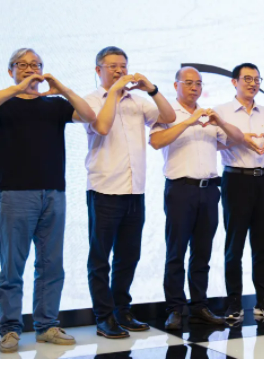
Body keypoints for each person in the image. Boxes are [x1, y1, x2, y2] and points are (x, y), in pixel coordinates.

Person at [0, 48, 96, 353]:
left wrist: (62, 88)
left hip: (53, 193)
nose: (29, 69)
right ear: (10, 70)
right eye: (22, 65)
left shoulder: (55, 105)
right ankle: (10, 329)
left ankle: (47, 325)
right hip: (15, 194)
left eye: (35, 65)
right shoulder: (3, 105)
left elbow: (90, 117)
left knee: (51, 266)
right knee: (12, 267)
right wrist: (16, 89)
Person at [83, 46, 176, 338]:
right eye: (112, 66)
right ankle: (103, 316)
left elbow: (169, 116)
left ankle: (122, 309)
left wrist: (152, 89)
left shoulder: (138, 102)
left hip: (135, 190)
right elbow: (102, 127)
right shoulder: (91, 100)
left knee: (128, 256)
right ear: (98, 70)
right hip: (104, 189)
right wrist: (114, 92)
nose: (119, 70)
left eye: (122, 65)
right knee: (100, 258)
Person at [149, 67, 244, 331]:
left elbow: (237, 140)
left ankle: (199, 305)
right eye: (189, 83)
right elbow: (156, 141)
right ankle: (175, 308)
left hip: (209, 189)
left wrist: (220, 122)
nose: (194, 87)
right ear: (176, 85)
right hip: (181, 189)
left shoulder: (208, 115)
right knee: (176, 251)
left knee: (202, 252)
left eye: (199, 83)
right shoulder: (167, 113)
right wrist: (188, 122)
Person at [214, 63, 264, 320]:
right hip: (236, 180)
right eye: (247, 78)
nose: (253, 83)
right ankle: (233, 302)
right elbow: (216, 144)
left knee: (262, 243)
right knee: (234, 245)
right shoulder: (221, 111)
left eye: (257, 79)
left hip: (263, 180)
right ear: (234, 82)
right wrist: (242, 137)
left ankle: (263, 300)